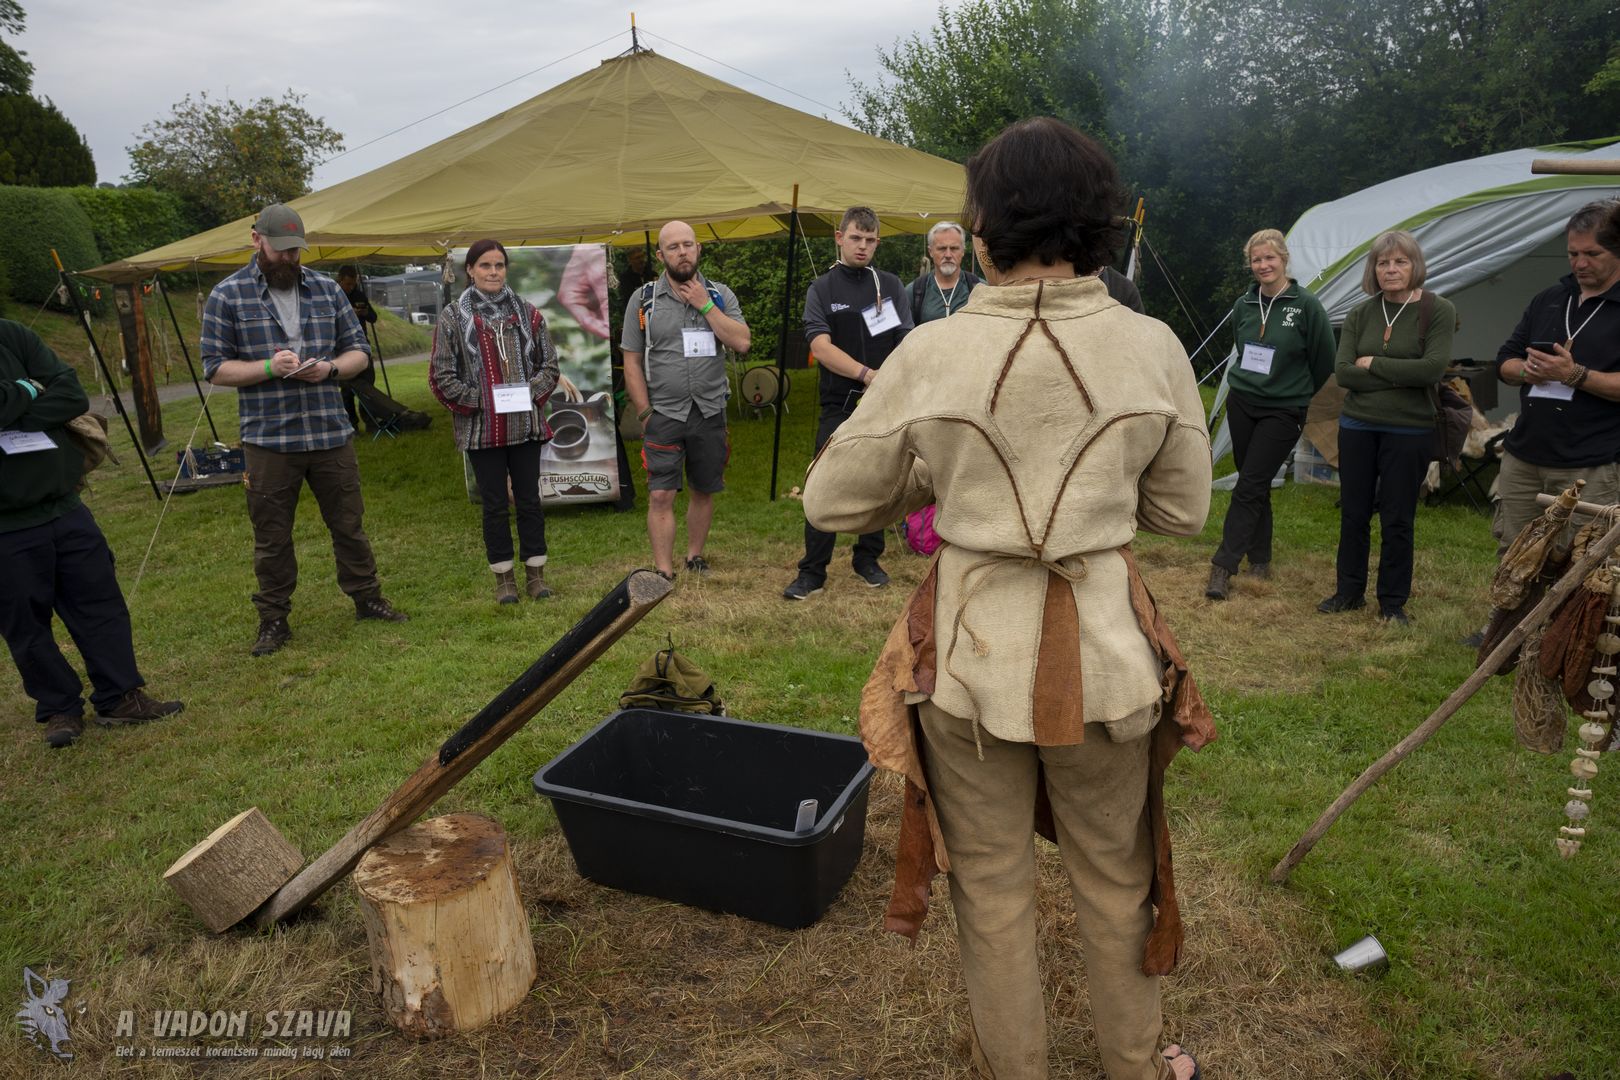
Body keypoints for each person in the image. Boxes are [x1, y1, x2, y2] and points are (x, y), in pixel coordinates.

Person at [803, 118, 1209, 1080]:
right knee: (1117, 880)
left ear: (980, 228)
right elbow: (1183, 508)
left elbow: (832, 497)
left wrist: (938, 478)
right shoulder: (1150, 346)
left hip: (971, 663)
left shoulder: (935, 350)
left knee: (990, 888)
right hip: (1111, 661)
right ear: (1096, 225)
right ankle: (1137, 1067)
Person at [202, 203, 408, 656]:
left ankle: (367, 599)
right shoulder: (227, 295)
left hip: (329, 433)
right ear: (256, 240)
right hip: (269, 439)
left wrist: (332, 369)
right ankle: (273, 620)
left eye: (297, 250)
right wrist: (267, 367)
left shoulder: (326, 289)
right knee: (272, 535)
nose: (290, 259)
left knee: (349, 524)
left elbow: (359, 353)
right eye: (281, 250)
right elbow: (215, 368)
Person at [1, 319, 183, 747]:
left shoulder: (14, 334)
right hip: (6, 524)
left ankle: (120, 696)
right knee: (25, 622)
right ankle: (59, 709)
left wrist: (12, 407)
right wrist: (28, 391)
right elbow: (46, 398)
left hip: (64, 506)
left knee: (99, 601)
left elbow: (70, 395)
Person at [1318, 230, 1454, 625]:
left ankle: (1393, 602)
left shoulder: (1437, 310)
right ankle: (1348, 592)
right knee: (1354, 513)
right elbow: (1343, 373)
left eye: (1400, 262)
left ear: (1415, 266)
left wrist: (1373, 364)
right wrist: (1401, 376)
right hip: (1358, 426)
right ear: (1373, 269)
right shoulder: (1361, 313)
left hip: (1409, 430)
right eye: (1383, 263)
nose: (1391, 269)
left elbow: (1432, 369)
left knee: (1398, 518)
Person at [784, 206, 914, 600]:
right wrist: (865, 374)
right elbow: (820, 347)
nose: (863, 247)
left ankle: (867, 558)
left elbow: (905, 340)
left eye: (870, 240)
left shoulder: (889, 285)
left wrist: (887, 381)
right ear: (839, 237)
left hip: (882, 403)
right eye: (855, 238)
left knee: (877, 478)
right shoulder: (822, 288)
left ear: (878, 242)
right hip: (839, 402)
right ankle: (812, 571)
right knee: (824, 481)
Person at [1205, 228, 1336, 599]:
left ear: (1284, 259)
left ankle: (1223, 565)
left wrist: (1296, 391)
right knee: (1254, 481)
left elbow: (1324, 358)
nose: (1263, 265)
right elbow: (1241, 346)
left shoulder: (1306, 305)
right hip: (1243, 401)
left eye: (1269, 258)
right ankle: (1260, 558)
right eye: (1256, 260)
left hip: (1283, 408)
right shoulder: (1244, 305)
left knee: (1248, 486)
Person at [429, 239, 562, 603]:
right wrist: (484, 401)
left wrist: (526, 392)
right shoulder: (453, 317)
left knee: (529, 500)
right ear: (469, 270)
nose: (493, 272)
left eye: (499, 265)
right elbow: (442, 376)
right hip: (482, 430)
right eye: (485, 265)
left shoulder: (529, 314)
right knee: (494, 505)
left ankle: (536, 574)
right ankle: (504, 578)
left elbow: (549, 367)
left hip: (525, 428)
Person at [619, 221, 749, 579]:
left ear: (698, 249)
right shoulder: (644, 300)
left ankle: (694, 556)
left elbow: (742, 342)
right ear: (661, 255)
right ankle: (663, 570)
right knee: (661, 494)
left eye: (688, 245)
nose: (682, 252)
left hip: (709, 410)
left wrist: (705, 305)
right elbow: (630, 359)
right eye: (673, 247)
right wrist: (645, 411)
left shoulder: (719, 295)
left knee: (704, 489)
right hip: (663, 412)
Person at [1491, 200, 1620, 552]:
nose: (1580, 263)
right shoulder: (1551, 298)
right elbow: (1504, 361)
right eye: (1572, 254)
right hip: (1524, 456)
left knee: (1580, 563)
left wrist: (1573, 374)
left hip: (1589, 463)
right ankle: (1513, 611)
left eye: (1592, 253)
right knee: (1514, 555)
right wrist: (1526, 370)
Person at [335, 265, 432, 435]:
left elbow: (373, 317)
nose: (351, 287)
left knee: (368, 388)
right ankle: (352, 426)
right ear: (340, 279)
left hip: (361, 345)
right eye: (348, 283)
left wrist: (364, 312)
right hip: (342, 348)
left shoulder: (359, 295)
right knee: (347, 391)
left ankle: (372, 421)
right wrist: (351, 314)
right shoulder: (333, 296)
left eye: (353, 283)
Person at [907, 221, 985, 323]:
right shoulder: (914, 292)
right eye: (942, 248)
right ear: (930, 251)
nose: (948, 255)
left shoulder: (980, 288)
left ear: (963, 251)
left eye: (954, 248)